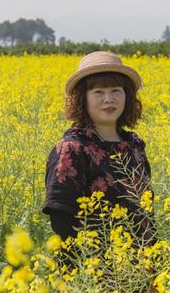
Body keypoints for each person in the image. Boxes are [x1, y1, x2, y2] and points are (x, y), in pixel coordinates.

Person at [42, 51, 156, 253]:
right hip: (93, 274)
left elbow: (147, 215)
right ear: (82, 99)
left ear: (127, 96)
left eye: (115, 90)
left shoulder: (134, 146)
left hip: (141, 271)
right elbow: (62, 224)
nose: (109, 99)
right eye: (98, 92)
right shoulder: (71, 150)